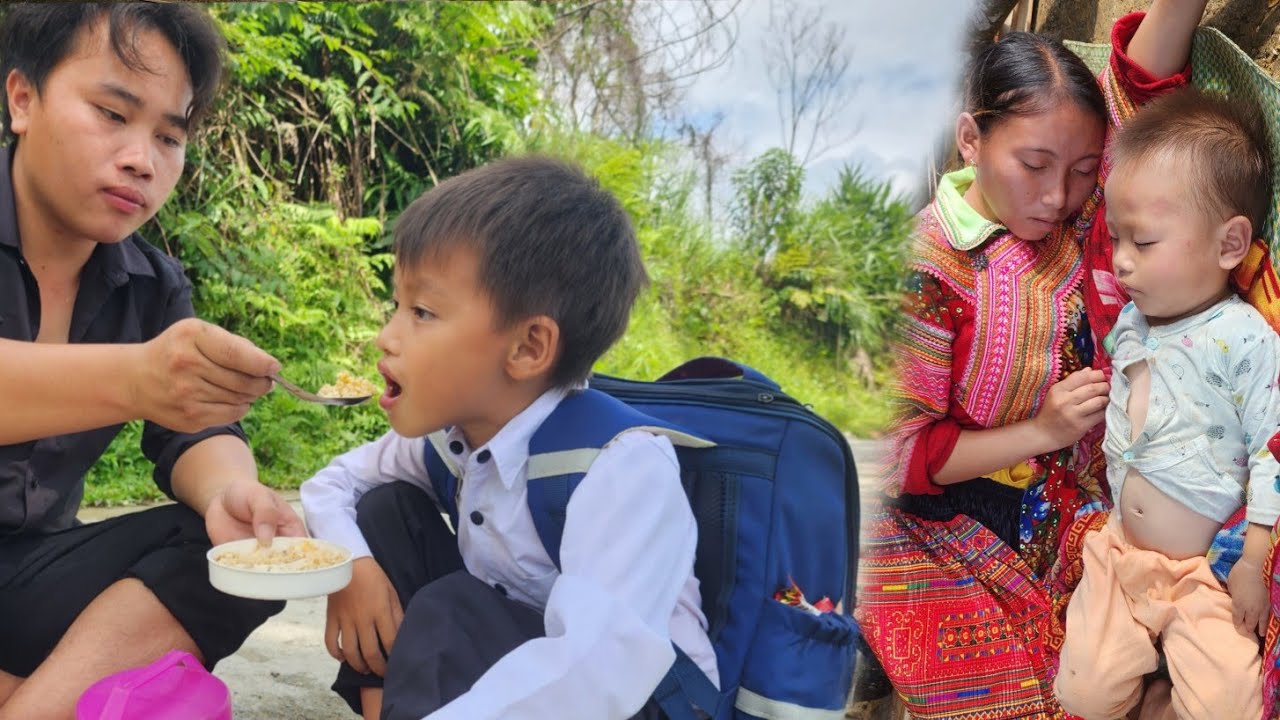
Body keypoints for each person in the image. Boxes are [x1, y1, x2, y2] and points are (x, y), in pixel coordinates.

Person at [854, 1, 1206, 717]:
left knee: (1129, 663)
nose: (1058, 194)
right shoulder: (926, 272)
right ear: (969, 140)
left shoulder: (1077, 213)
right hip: (927, 521)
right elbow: (900, 458)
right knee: (1003, 692)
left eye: (1080, 170)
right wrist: (1042, 431)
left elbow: (1139, 89)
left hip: (1060, 499)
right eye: (1034, 164)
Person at [299, 155, 715, 720]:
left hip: (636, 697)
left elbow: (598, 670)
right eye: (395, 306)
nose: (385, 338)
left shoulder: (621, 466)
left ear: (527, 348)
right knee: (383, 512)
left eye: (421, 312)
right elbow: (331, 484)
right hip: (522, 648)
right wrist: (354, 569)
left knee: (453, 609)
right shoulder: (453, 438)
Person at [0, 5, 305, 719]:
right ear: (22, 99)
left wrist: (232, 492)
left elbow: (193, 427)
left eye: (170, 136)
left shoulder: (155, 285)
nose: (143, 158)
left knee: (235, 553)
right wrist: (136, 377)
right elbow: (151, 381)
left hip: (30, 569)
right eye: (112, 113)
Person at [1053, 88, 1275, 720]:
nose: (1120, 262)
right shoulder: (1128, 322)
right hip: (1119, 553)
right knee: (1083, 696)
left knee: (1230, 707)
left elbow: (1271, 449)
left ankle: (1163, 690)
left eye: (1143, 244)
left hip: (1201, 575)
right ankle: (1143, 677)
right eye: (1116, 239)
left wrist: (1253, 561)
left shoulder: (1245, 337)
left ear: (1230, 244)